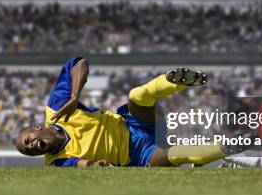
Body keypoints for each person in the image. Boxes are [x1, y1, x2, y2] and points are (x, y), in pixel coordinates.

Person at [15, 57, 245, 167]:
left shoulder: (57, 107)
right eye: (28, 152)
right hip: (138, 154)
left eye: (27, 142)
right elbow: (82, 165)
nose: (30, 148)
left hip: (133, 124)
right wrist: (98, 166)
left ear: (37, 128)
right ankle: (239, 143)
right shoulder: (55, 161)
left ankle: (177, 80)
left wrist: (74, 97)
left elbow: (79, 63)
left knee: (137, 96)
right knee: (174, 155)